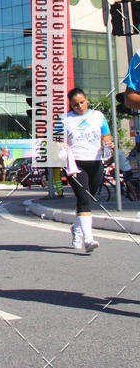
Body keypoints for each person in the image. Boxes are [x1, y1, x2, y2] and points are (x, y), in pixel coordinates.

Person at [64, 87, 113, 253]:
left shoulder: (98, 116)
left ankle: (76, 229)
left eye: (82, 102)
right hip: (75, 163)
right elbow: (55, 140)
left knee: (88, 198)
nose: (80, 106)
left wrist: (107, 143)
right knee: (83, 198)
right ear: (71, 105)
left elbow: (106, 135)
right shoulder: (64, 119)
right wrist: (60, 145)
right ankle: (89, 239)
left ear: (87, 101)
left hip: (96, 161)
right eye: (76, 104)